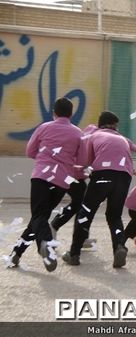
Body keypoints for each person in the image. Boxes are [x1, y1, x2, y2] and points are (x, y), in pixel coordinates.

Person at [62, 111, 136, 268]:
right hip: (124, 177)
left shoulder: (94, 136)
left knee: (86, 213)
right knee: (114, 216)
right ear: (115, 126)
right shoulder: (121, 138)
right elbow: (128, 150)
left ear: (99, 124)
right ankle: (119, 246)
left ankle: (74, 254)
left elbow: (87, 161)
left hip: (103, 175)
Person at [8, 97, 81, 272]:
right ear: (71, 114)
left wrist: (44, 159)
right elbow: (83, 158)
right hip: (61, 182)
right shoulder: (78, 133)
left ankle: (47, 246)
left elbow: (30, 151)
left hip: (42, 177)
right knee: (39, 218)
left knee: (38, 217)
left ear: (54, 112)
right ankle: (16, 253)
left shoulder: (44, 127)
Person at [50, 124, 97, 248]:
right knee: (81, 205)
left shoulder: (86, 136)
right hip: (73, 175)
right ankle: (55, 225)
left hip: (71, 174)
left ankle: (80, 237)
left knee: (80, 205)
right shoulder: (94, 139)